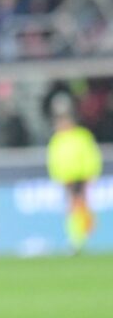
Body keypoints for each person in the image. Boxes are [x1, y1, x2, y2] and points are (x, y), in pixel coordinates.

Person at [47, 93, 103, 254]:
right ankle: (76, 238)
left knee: (80, 207)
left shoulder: (81, 136)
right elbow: (54, 160)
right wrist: (58, 177)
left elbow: (91, 157)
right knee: (72, 208)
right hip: (67, 179)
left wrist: (89, 176)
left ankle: (82, 236)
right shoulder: (57, 139)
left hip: (81, 177)